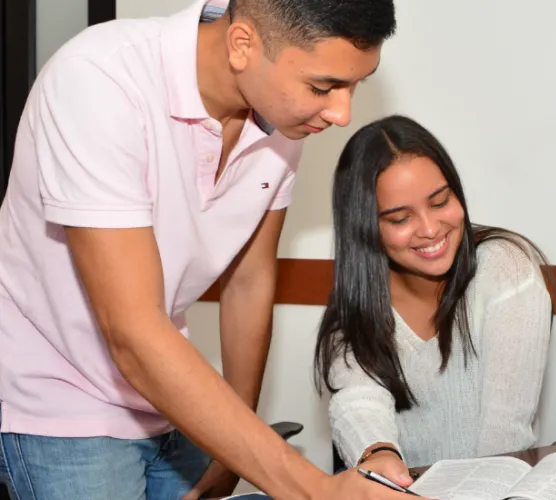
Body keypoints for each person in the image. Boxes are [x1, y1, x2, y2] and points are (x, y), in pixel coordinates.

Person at [0, 0, 417, 498]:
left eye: (354, 85)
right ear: (242, 44)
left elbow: (249, 279)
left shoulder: (281, 112)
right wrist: (314, 489)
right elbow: (132, 331)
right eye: (323, 87)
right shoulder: (98, 81)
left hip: (168, 392)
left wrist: (232, 446)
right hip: (61, 402)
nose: (341, 113)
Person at [313, 115, 553, 488]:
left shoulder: (505, 270)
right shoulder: (357, 305)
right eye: (400, 218)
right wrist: (379, 454)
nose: (429, 229)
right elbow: (358, 401)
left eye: (440, 202)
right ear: (365, 228)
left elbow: (505, 437)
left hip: (494, 489)